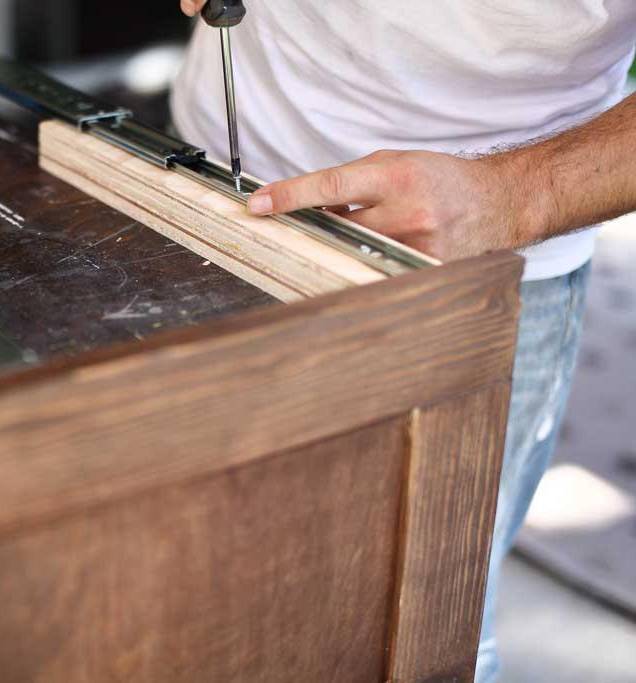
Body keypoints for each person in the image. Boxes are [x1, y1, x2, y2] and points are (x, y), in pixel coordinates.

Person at [172, 1, 636, 680]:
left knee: (418, 643)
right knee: (204, 602)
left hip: (476, 257)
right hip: (215, 180)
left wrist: (512, 196)